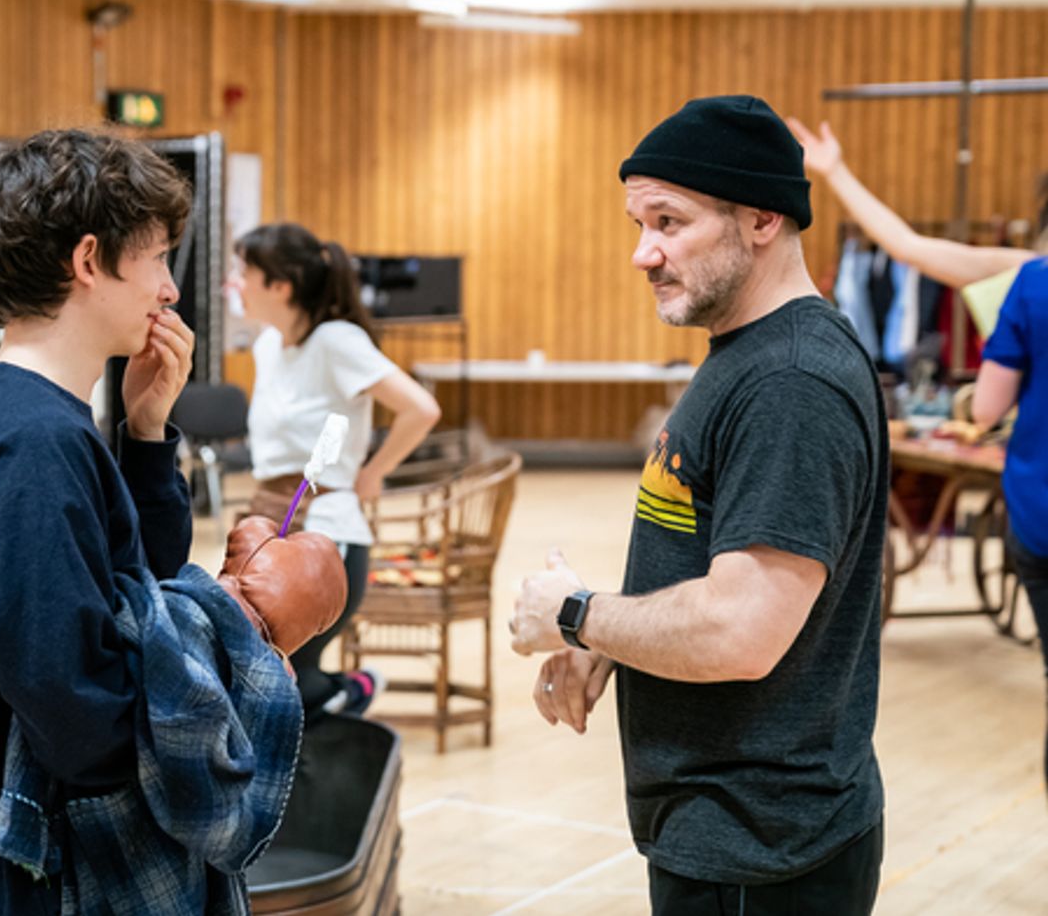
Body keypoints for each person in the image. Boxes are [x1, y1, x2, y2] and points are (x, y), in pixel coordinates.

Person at [509, 96, 887, 915]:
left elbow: (742, 628)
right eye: (638, 222)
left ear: (760, 218)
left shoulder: (792, 381)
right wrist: (613, 635)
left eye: (670, 221)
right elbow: (711, 565)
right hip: (727, 834)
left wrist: (578, 614)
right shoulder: (749, 353)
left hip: (763, 851)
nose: (643, 252)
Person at [0, 129, 198, 913]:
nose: (169, 290)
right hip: (24, 870)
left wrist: (145, 434)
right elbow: (68, 693)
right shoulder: (39, 440)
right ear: (90, 260)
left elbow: (136, 586)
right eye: (159, 258)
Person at [791, 116, 1048, 794]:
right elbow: (908, 244)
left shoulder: (1030, 279)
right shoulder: (1023, 274)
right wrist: (838, 172)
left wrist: (972, 411)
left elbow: (909, 245)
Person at [230, 223, 441, 720]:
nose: (236, 283)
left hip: (325, 530)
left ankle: (348, 693)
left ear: (280, 286)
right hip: (270, 521)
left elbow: (420, 409)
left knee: (292, 684)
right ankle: (346, 695)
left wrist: (372, 473)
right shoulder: (268, 346)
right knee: (259, 674)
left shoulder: (335, 341)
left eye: (245, 273)